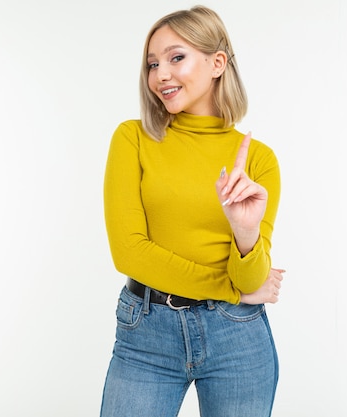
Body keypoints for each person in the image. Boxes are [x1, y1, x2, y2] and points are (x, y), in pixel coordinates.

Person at [100, 5, 284, 417]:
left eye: (175, 57)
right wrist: (229, 289)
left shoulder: (258, 160)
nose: (160, 74)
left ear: (217, 63)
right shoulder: (133, 139)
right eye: (152, 64)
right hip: (147, 332)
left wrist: (245, 232)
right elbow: (129, 252)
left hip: (237, 336)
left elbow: (251, 277)